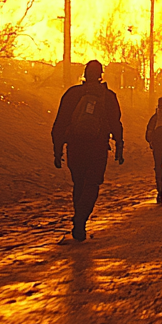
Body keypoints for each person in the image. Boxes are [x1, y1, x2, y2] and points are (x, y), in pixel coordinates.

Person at [51, 60, 123, 241]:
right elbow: (116, 124)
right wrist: (120, 148)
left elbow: (59, 124)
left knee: (79, 184)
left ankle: (79, 219)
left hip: (75, 147)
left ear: (84, 73)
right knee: (92, 184)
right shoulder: (108, 96)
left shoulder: (72, 94)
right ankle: (81, 219)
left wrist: (57, 150)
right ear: (101, 75)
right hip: (97, 148)